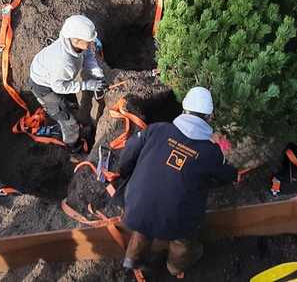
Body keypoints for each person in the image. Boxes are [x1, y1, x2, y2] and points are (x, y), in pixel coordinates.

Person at [117, 87, 237, 278]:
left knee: (143, 226)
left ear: (184, 108)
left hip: (135, 208)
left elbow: (127, 156)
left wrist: (124, 173)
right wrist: (222, 148)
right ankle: (174, 268)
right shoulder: (211, 152)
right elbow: (229, 176)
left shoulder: (155, 130)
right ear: (210, 117)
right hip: (177, 221)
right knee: (183, 243)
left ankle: (131, 260)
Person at [27, 15, 107, 150]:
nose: (91, 43)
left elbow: (86, 55)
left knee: (67, 102)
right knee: (68, 121)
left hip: (53, 76)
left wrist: (95, 71)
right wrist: (87, 85)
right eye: (89, 41)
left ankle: (69, 110)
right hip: (44, 87)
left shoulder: (74, 44)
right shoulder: (63, 63)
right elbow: (58, 87)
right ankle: (73, 146)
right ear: (76, 40)